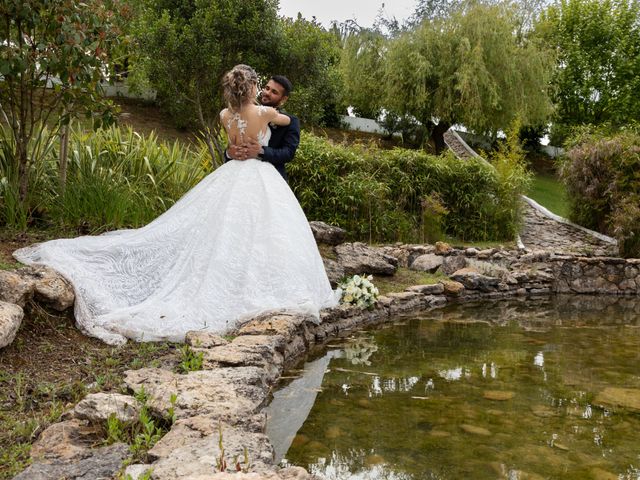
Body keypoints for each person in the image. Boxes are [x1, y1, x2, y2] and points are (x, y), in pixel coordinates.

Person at [13, 64, 338, 346]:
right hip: (246, 176)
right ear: (254, 87)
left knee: (256, 236)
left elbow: (283, 151)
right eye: (263, 87)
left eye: (273, 91)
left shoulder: (228, 114)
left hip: (254, 177)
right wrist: (240, 143)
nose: (267, 92)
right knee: (221, 231)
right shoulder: (267, 114)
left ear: (282, 95)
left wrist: (254, 148)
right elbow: (250, 133)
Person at [224, 75, 299, 181]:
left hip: (270, 179)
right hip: (237, 176)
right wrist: (228, 153)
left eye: (274, 92)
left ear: (283, 99)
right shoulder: (242, 113)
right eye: (267, 88)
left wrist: (262, 151)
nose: (267, 93)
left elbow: (288, 153)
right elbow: (233, 142)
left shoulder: (291, 121)